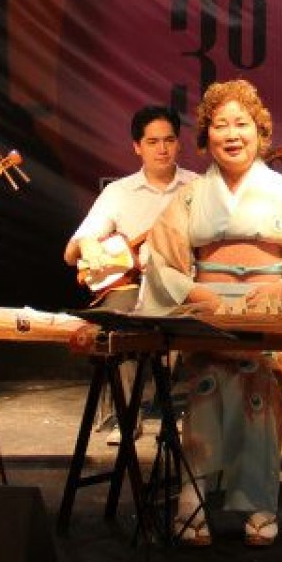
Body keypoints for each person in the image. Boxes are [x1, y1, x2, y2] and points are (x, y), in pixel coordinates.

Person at [136, 79, 282, 548]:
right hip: (209, 317)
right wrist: (197, 294)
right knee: (206, 387)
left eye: (241, 124)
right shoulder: (189, 196)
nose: (232, 134)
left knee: (258, 386)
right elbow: (160, 260)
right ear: (206, 135)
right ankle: (192, 497)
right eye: (221, 125)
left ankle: (260, 503)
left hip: (267, 315)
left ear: (259, 132)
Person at [63, 104, 198, 443]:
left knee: (192, 321)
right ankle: (128, 415)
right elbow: (72, 250)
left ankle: (185, 416)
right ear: (137, 146)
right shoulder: (119, 192)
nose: (162, 149)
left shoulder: (197, 187)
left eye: (169, 140)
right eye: (152, 142)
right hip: (133, 282)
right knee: (119, 320)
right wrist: (88, 246)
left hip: (183, 281)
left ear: (179, 144)